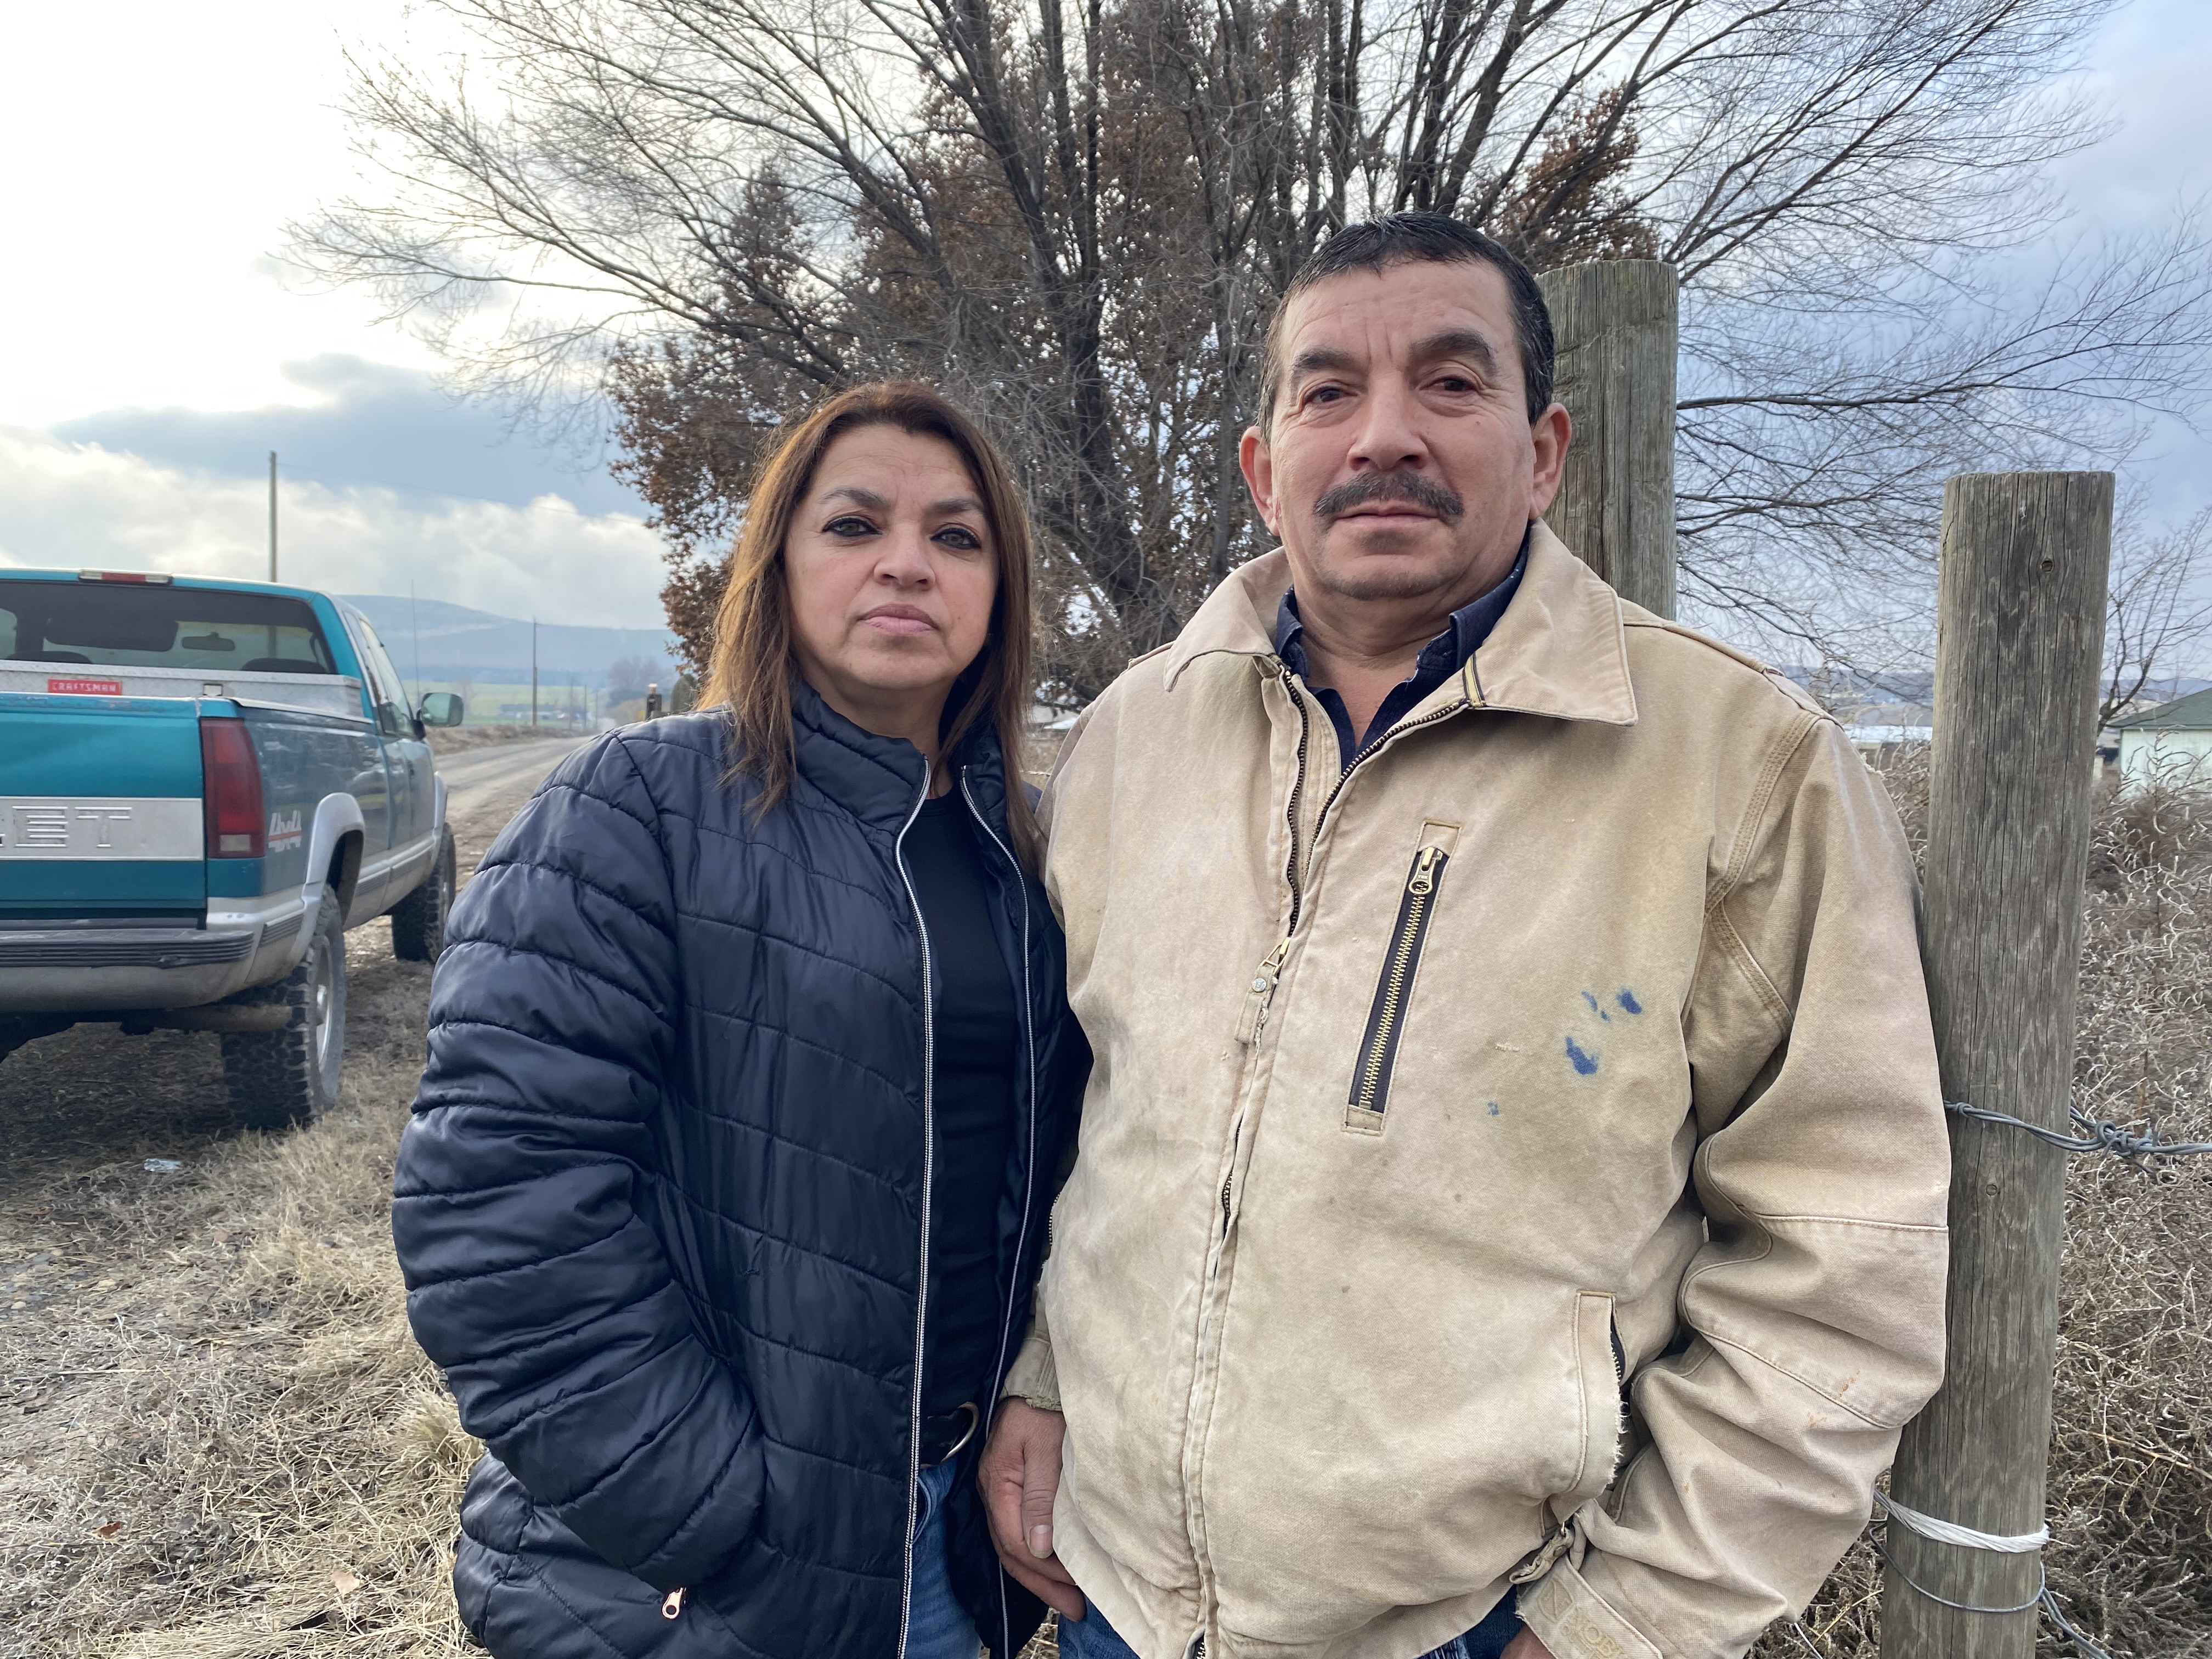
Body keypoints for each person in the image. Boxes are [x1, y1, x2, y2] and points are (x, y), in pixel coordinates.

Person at [979, 215, 1951, 1659]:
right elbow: (1105, 1128)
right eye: (1326, 392)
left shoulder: (1736, 763)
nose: (1383, 435)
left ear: (1544, 449)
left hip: (1481, 1624)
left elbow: (1846, 1260)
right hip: (1121, 1598)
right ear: (1263, 471)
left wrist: (1626, 1623)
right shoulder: (1134, 740)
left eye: (1450, 382)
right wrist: (1048, 1376)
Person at [392, 381, 1086, 1659]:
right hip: (702, 1571)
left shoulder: (1027, 851)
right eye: (854, 525)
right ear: (778, 565)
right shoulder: (640, 810)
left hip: (949, 1547)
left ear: (1001, 588)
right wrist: (703, 1510)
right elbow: (495, 1207)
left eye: (955, 536)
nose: (905, 564)